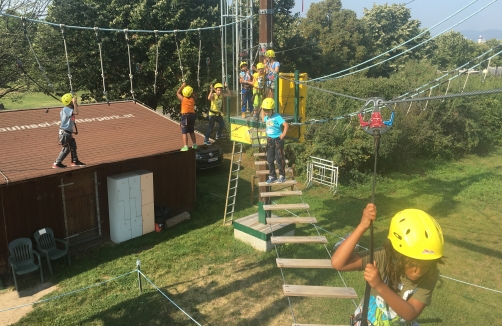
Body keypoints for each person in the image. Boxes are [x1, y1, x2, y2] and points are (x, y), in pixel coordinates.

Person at [331, 204, 444, 326]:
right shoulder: (383, 256)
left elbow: (411, 314)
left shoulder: (431, 274)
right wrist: (362, 226)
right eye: (412, 264)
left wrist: (379, 285)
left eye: (426, 266)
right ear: (397, 253)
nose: (418, 272)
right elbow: (338, 263)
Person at [53, 93, 85, 168]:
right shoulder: (66, 109)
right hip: (65, 133)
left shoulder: (68, 109)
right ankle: (57, 163)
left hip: (67, 132)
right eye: (72, 100)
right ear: (69, 102)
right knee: (66, 148)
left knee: (73, 145)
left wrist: (74, 103)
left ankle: (75, 161)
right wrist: (74, 103)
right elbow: (76, 112)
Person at [262, 98, 289, 184]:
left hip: (277, 140)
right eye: (265, 110)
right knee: (270, 159)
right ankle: (272, 176)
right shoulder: (266, 117)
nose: (267, 112)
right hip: (270, 141)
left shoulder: (277, 116)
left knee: (279, 159)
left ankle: (282, 176)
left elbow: (286, 124)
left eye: (268, 111)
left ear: (272, 109)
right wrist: (262, 108)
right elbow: (263, 119)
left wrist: (283, 134)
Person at [176, 82, 197, 151]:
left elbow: (178, 93)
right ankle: (194, 144)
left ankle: (185, 146)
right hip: (192, 116)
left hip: (185, 116)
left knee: (184, 132)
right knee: (191, 131)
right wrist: (189, 89)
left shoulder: (183, 99)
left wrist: (182, 86)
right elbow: (194, 94)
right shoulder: (193, 100)